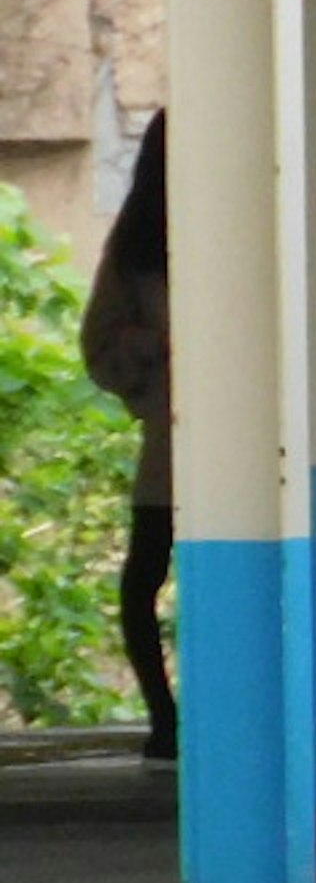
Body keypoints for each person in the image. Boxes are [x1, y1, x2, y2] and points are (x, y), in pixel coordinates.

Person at [76, 112, 173, 762]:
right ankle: (164, 715)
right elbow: (98, 342)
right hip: (171, 436)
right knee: (142, 581)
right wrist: (155, 352)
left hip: (243, 446)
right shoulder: (135, 245)